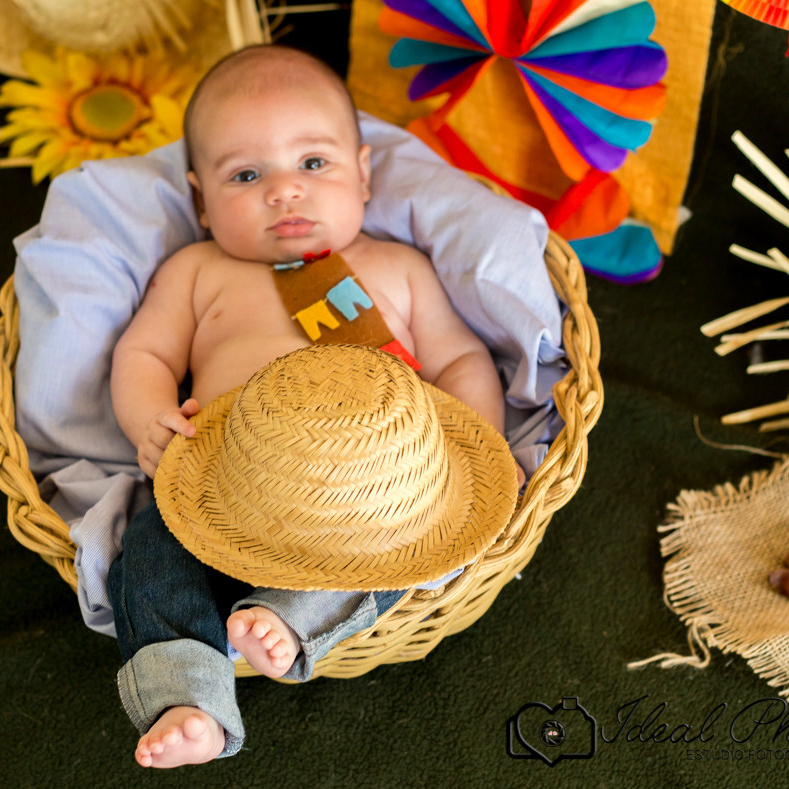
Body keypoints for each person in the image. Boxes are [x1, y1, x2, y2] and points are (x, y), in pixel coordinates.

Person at [107, 43, 524, 768]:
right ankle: (188, 697)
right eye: (246, 175)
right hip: (229, 483)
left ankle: (295, 612)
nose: (284, 192)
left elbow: (461, 359)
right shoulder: (199, 272)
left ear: (364, 173)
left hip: (371, 487)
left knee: (412, 538)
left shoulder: (397, 268)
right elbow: (142, 355)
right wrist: (151, 419)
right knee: (148, 548)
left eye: (313, 162)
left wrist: (478, 448)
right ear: (201, 199)